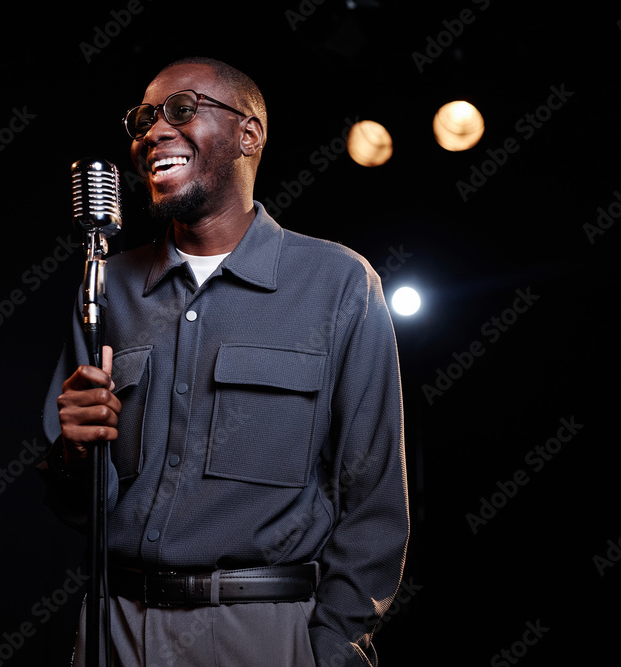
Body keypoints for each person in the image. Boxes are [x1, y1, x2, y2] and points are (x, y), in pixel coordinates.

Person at [39, 56, 409, 666]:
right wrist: (75, 454)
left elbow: (374, 502)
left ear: (249, 134)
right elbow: (79, 508)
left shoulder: (338, 284)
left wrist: (330, 648)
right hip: (117, 628)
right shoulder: (107, 287)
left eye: (181, 110)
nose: (153, 132)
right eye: (143, 118)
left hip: (263, 634)